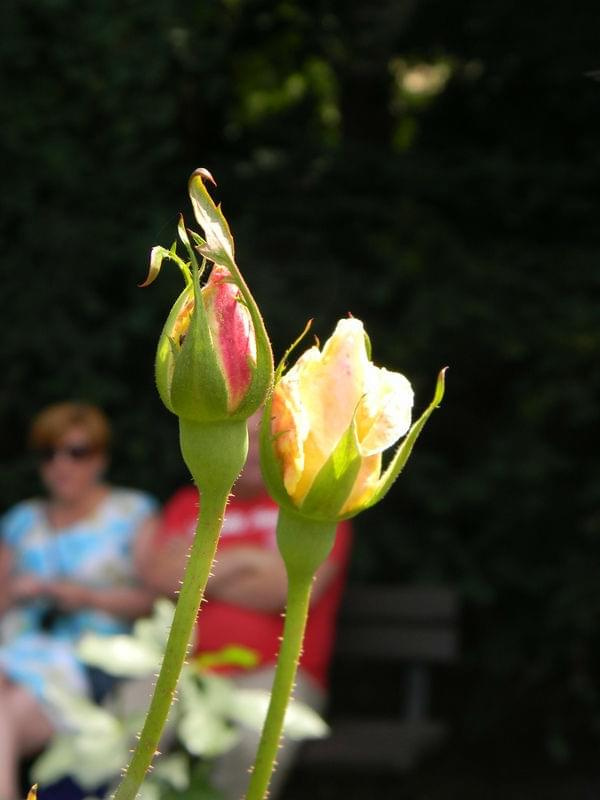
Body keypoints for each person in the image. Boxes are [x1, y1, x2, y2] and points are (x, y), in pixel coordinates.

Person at [139, 411, 352, 800]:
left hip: (272, 674)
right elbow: (159, 579)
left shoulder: (312, 504)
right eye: (244, 437)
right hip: (182, 668)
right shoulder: (189, 502)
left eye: (266, 439)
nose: (254, 451)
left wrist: (203, 567)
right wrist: (249, 559)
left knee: (247, 742)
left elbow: (283, 589)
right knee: (132, 717)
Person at [0, 401, 158, 800]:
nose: (61, 465)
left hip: (91, 658)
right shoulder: (22, 518)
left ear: (101, 458)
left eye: (76, 452)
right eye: (48, 453)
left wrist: (87, 597)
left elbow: (154, 599)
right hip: (18, 647)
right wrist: (18, 591)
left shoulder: (133, 512)